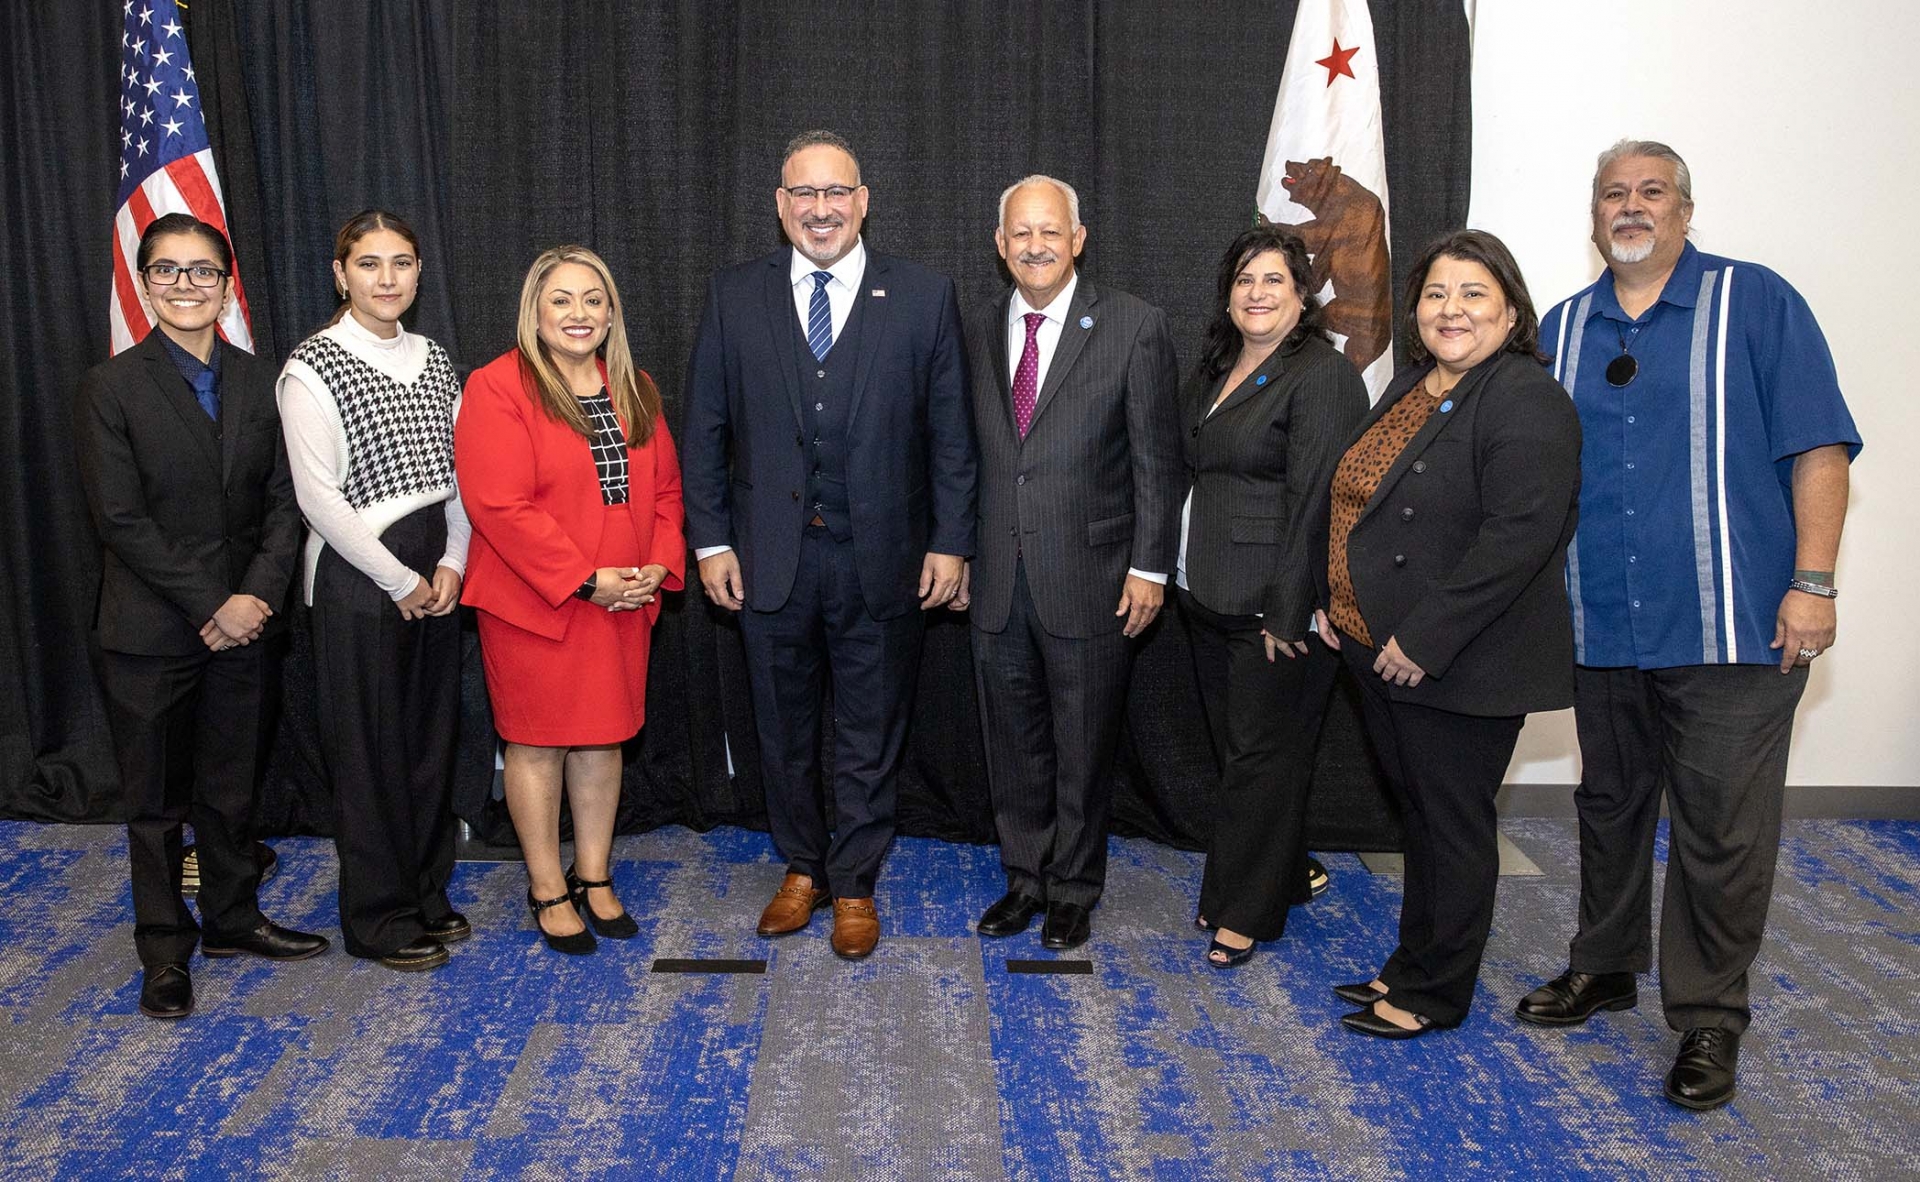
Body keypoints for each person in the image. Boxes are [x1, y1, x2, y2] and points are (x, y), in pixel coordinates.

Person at [1517, 141, 1861, 1110]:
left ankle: (1710, 1015)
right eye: (1614, 193)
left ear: (1685, 209)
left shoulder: (1756, 303)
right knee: (1610, 805)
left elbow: (1820, 448)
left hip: (1735, 628)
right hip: (1602, 624)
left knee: (1721, 832)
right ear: (1594, 216)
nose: (1632, 207)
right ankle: (1606, 963)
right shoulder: (1561, 328)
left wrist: (1814, 582)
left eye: (1651, 192)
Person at [682, 131, 975, 960]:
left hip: (883, 559)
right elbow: (703, 431)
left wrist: (952, 543)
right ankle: (802, 866)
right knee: (780, 726)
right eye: (804, 194)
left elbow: (952, 438)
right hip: (769, 560)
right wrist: (709, 544)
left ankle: (853, 883)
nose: (821, 209)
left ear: (863, 201)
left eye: (836, 193)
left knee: (870, 727)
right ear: (780, 206)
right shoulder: (734, 295)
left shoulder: (923, 296)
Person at [1310, 229, 1581, 1038]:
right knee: (1422, 817)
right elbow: (1363, 503)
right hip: (1374, 647)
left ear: (1510, 311)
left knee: (1454, 826)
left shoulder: (1527, 399)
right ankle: (1411, 963)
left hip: (1455, 661)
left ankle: (1436, 992)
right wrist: (1338, 598)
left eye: (1472, 294)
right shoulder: (1418, 386)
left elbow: (1517, 541)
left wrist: (1425, 639)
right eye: (1435, 294)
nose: (1450, 309)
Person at [74, 213, 328, 1020]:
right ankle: (163, 952)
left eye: (203, 272)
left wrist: (254, 597)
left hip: (248, 624)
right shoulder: (108, 388)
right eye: (168, 271)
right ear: (143, 283)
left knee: (229, 787)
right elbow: (120, 520)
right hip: (151, 632)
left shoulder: (262, 381)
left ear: (228, 286)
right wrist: (212, 602)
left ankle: (232, 919)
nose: (186, 285)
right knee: (154, 805)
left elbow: (288, 504)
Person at [961, 176, 1181, 951]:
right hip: (995, 577)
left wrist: (1151, 567)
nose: (1035, 245)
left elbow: (1158, 459)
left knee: (1083, 744)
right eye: (1020, 233)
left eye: (1049, 231)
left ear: (1078, 238)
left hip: (1093, 576)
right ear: (1000, 246)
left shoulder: (1133, 326)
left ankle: (1074, 889)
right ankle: (1024, 878)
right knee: (1011, 742)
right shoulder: (980, 327)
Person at [456, 246, 684, 955]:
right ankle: (547, 885)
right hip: (539, 601)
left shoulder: (635, 386)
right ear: (535, 311)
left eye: (592, 299)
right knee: (536, 745)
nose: (578, 314)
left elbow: (668, 493)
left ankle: (595, 875)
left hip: (622, 601)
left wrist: (657, 564)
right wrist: (587, 579)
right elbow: (498, 504)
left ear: (611, 311)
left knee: (602, 739)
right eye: (561, 300)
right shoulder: (499, 388)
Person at [277, 210, 470, 972]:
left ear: (419, 273)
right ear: (340, 273)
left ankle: (425, 889)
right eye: (368, 264)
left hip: (436, 569)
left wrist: (454, 561)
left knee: (428, 745)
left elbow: (461, 476)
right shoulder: (313, 365)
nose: (386, 278)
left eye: (400, 263)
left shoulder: (434, 357)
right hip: (362, 580)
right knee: (368, 753)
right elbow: (318, 498)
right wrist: (399, 581)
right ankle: (378, 915)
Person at [1174, 226, 1367, 967]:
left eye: (1274, 280)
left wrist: (1288, 609)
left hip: (1271, 609)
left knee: (1262, 760)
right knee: (1244, 755)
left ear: (1302, 294)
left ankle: (1242, 912)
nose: (1257, 292)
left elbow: (1318, 499)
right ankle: (1283, 873)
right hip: (1207, 594)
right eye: (1245, 279)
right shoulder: (1216, 369)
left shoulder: (1321, 374)